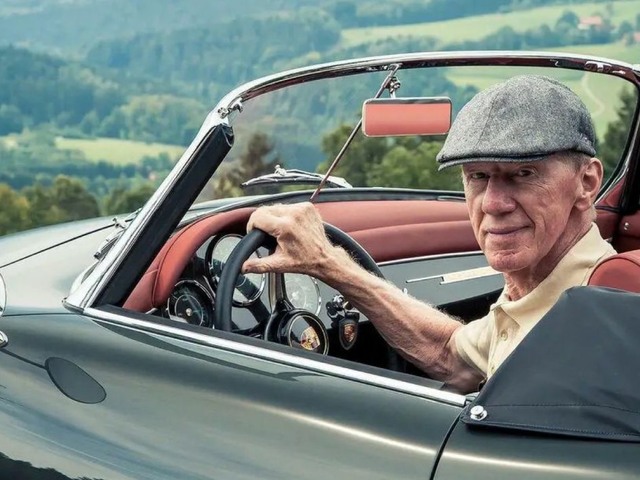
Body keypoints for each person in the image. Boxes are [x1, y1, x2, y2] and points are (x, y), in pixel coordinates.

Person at [242, 75, 616, 394]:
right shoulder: (543, 292)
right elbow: (454, 356)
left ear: (586, 183)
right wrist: (330, 264)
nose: (492, 203)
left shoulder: (602, 316)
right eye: (477, 176)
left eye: (523, 174)